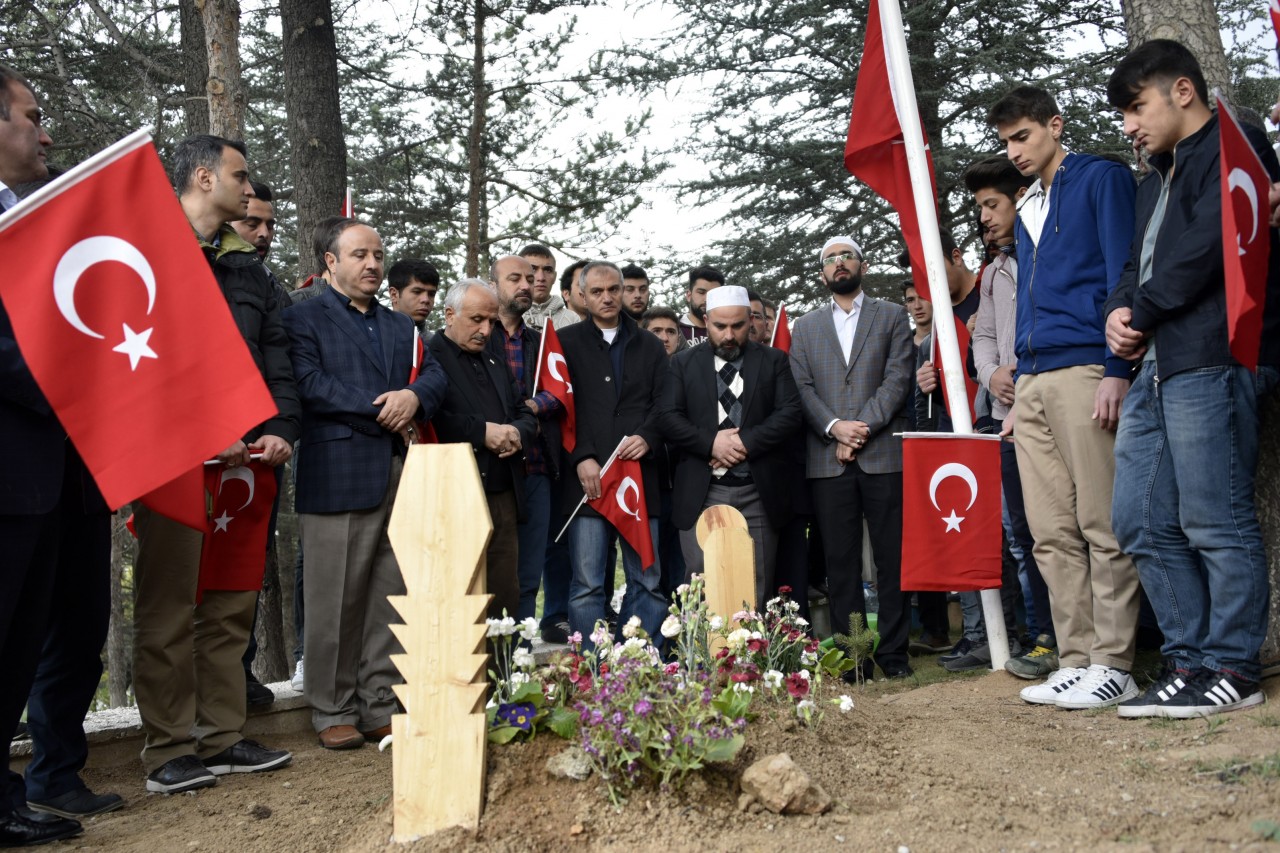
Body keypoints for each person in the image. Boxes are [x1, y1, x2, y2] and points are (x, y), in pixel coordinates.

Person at [1105, 40, 1280, 718]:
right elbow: (1134, 264)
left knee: (1215, 514)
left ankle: (1234, 664)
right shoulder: (1155, 179)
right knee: (1139, 518)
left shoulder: (1238, 150)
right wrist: (1119, 312)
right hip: (1153, 363)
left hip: (1213, 354)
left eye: (1135, 107)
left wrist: (1141, 307)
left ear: (1182, 91)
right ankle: (1188, 659)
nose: (1129, 125)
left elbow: (1209, 245)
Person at [131, 135, 300, 794]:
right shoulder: (147, 250)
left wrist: (282, 426)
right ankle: (169, 747)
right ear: (204, 179)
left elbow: (275, 352)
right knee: (170, 606)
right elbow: (135, 360)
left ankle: (221, 736)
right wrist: (202, 428)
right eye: (239, 175)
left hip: (247, 462)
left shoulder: (248, 268)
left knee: (230, 605)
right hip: (173, 461)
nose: (247, 186)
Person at [989, 85, 1140, 709]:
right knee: (1050, 530)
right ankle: (1076, 659)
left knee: (1102, 521)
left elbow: (1122, 274)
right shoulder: (1026, 207)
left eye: (1023, 136)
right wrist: (1020, 384)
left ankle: (1115, 661)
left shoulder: (1102, 178)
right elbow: (1030, 300)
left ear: (1055, 125)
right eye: (1005, 142)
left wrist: (1115, 369)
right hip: (1033, 379)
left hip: (1086, 368)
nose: (1015, 151)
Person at [283, 218, 447, 750]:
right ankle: (331, 707)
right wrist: (386, 406)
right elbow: (309, 384)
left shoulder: (401, 325)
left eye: (378, 254)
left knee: (389, 594)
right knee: (334, 599)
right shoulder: (303, 316)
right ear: (331, 261)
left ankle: (379, 702)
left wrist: (414, 397)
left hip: (399, 472)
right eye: (359, 255)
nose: (373, 264)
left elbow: (435, 375)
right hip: (338, 473)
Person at [0, 64, 101, 847]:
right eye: (31, 116)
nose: (46, 131)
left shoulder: (29, 217)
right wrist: (72, 389)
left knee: (22, 642)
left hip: (46, 473)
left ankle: (4, 795)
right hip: (11, 462)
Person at [789, 237, 914, 680]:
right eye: (829, 259)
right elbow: (801, 389)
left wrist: (857, 429)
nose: (838, 264)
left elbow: (899, 378)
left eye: (846, 256)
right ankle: (854, 659)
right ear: (821, 272)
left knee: (892, 560)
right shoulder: (803, 327)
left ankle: (895, 655)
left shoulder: (892, 316)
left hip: (883, 455)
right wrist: (834, 428)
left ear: (862, 264)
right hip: (828, 459)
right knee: (840, 565)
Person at [963, 155, 1057, 680]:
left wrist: (1018, 373)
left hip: (1047, 404)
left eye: (991, 204)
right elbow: (985, 334)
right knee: (1022, 533)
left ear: (1021, 198)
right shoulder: (994, 270)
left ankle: (1081, 634)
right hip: (1003, 418)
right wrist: (990, 372)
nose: (984, 217)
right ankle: (1045, 633)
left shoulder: (1046, 256)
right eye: (979, 208)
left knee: (1059, 527)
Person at [659, 285, 802, 606]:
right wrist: (711, 443)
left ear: (750, 320)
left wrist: (744, 443)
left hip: (759, 492)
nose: (728, 335)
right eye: (720, 326)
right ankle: (699, 657)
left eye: (737, 326)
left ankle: (753, 656)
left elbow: (791, 413)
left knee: (757, 584)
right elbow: (667, 418)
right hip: (702, 492)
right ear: (705, 321)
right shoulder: (682, 364)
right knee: (701, 585)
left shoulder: (773, 361)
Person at [559, 262, 669, 646]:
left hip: (639, 478)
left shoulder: (650, 344)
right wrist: (581, 456)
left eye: (613, 290)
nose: (607, 298)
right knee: (587, 582)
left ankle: (642, 663)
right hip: (587, 481)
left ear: (623, 291)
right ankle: (591, 668)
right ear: (582, 297)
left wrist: (649, 437)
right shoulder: (565, 342)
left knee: (648, 580)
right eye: (597, 291)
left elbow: (665, 403)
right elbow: (561, 406)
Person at [431, 278, 537, 620]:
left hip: (503, 492)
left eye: (491, 321)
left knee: (504, 594)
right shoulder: (428, 356)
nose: (486, 329)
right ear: (449, 314)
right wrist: (482, 432)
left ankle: (500, 670)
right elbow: (429, 418)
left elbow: (522, 410)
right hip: (454, 493)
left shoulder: (493, 359)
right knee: (460, 594)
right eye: (477, 319)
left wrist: (515, 434)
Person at [485, 257, 563, 624]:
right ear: (493, 283)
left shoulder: (542, 340)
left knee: (530, 572)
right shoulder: (479, 337)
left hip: (535, 466)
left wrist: (526, 408)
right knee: (492, 571)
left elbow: (560, 391)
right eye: (514, 278)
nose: (526, 285)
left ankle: (520, 652)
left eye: (530, 279)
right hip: (490, 471)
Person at [520, 243, 577, 332]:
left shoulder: (573, 320)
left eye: (548, 270)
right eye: (533, 269)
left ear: (554, 277)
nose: (541, 278)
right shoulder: (505, 317)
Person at [387, 258, 440, 332]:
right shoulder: (373, 337)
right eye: (417, 292)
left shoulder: (434, 343)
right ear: (394, 294)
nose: (426, 300)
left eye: (431, 294)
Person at [679, 265, 724, 342]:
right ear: (689, 295)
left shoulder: (729, 331)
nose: (707, 299)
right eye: (701, 292)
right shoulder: (673, 329)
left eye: (713, 294)